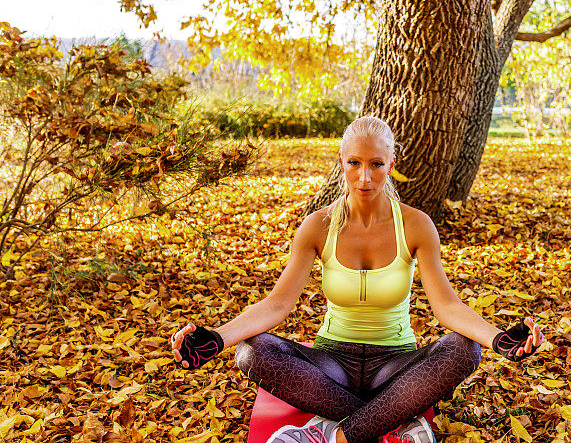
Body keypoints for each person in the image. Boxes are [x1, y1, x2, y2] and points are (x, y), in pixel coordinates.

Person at [170, 116, 545, 443]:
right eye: (354, 163)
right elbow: (277, 304)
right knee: (251, 350)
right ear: (341, 162)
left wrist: (499, 339)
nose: (364, 177)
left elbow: (447, 307)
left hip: (395, 364)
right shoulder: (317, 226)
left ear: (391, 164)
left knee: (466, 349)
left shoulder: (415, 225)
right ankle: (391, 421)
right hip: (332, 364)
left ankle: (338, 434)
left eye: (376, 164)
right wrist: (216, 339)